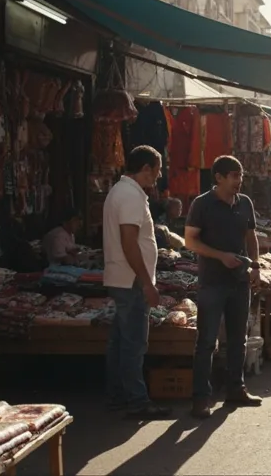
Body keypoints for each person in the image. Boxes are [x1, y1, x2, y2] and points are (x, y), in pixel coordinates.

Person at [184, 155, 262, 419]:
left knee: (238, 339)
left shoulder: (245, 203)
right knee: (206, 341)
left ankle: (235, 388)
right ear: (218, 177)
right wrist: (220, 256)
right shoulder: (202, 204)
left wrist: (256, 267)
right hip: (212, 282)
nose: (239, 181)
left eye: (241, 176)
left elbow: (251, 237)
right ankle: (201, 398)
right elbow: (190, 241)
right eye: (234, 176)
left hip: (240, 282)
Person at [103, 145, 170, 419]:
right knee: (133, 345)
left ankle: (119, 396)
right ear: (144, 169)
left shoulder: (121, 192)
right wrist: (146, 283)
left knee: (121, 343)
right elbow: (129, 243)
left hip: (122, 277)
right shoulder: (130, 196)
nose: (158, 176)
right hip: (131, 280)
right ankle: (137, 401)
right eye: (156, 171)